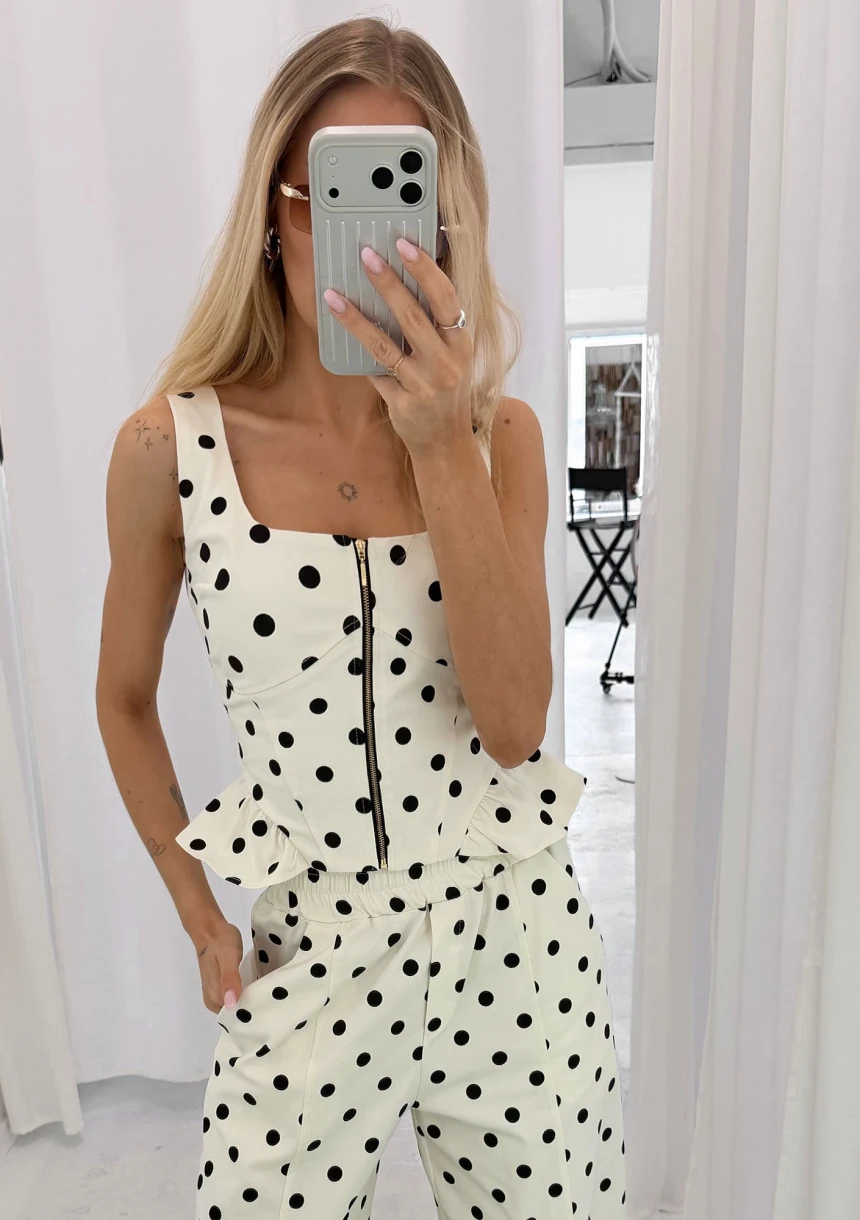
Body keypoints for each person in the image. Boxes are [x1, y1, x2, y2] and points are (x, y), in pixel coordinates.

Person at [96, 15, 626, 1219]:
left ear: (446, 221)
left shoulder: (501, 438)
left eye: (403, 203)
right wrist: (196, 911)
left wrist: (438, 445)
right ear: (272, 211)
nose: (369, 248)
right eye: (329, 200)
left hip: (513, 943)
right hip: (310, 949)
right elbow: (121, 697)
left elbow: (512, 725)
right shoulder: (167, 449)